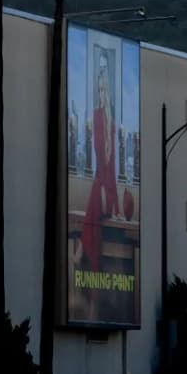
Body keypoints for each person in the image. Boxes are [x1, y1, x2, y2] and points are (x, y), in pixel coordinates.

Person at [76, 57, 120, 273]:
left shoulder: (110, 122)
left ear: (108, 92)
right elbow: (99, 162)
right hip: (99, 186)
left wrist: (116, 205)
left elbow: (110, 168)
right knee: (95, 189)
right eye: (99, 90)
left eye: (104, 90)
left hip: (108, 191)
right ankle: (91, 261)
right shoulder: (95, 115)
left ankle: (81, 251)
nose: (101, 95)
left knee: (96, 190)